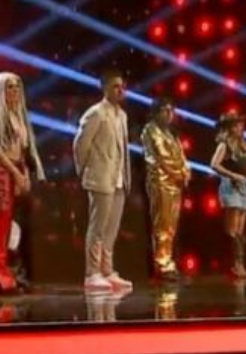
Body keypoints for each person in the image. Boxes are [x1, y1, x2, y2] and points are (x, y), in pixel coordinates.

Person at [0, 72, 45, 294]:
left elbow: (23, 149)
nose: (14, 91)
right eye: (9, 87)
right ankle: (1, 277)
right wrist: (15, 172)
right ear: (0, 90)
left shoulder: (19, 115)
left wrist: (25, 174)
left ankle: (11, 273)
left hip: (16, 170)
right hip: (2, 171)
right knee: (0, 225)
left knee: (13, 225)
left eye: (17, 86)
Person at [72, 69, 134, 293]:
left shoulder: (122, 116)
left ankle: (107, 270)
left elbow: (123, 149)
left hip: (118, 179)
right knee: (97, 228)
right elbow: (81, 144)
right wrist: (84, 170)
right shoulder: (96, 113)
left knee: (111, 229)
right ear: (105, 88)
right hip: (101, 177)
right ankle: (92, 273)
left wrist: (126, 176)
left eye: (122, 87)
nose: (120, 91)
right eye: (115, 86)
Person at [141, 98, 189, 280]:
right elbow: (160, 158)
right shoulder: (150, 130)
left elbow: (181, 155)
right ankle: (162, 263)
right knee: (162, 223)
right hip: (161, 181)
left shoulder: (171, 133)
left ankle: (168, 260)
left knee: (171, 225)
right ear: (156, 112)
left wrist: (185, 171)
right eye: (165, 110)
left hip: (175, 183)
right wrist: (176, 173)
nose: (169, 115)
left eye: (171, 111)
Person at [211, 112, 246, 278]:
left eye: (241, 125)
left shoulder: (242, 145)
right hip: (231, 186)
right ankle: (232, 266)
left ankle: (239, 265)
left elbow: (240, 167)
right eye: (236, 125)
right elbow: (214, 164)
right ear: (230, 128)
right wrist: (233, 175)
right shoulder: (224, 145)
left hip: (242, 186)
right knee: (232, 230)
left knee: (240, 231)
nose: (240, 128)